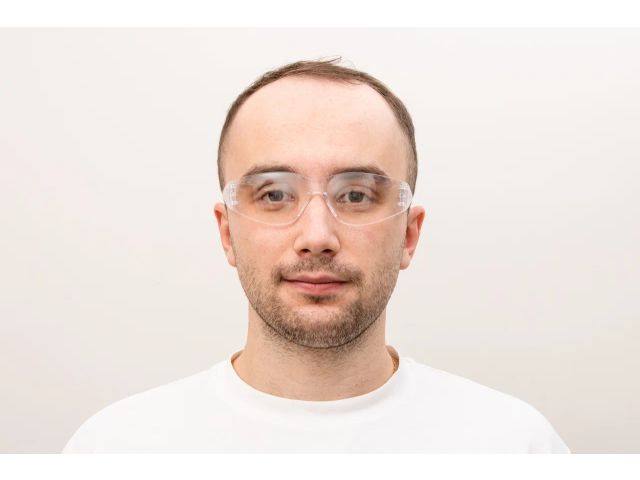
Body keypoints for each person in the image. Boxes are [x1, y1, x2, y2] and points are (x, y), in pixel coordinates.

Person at [63, 58, 570, 453]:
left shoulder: (516, 446)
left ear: (409, 236)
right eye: (274, 194)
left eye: (356, 195)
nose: (317, 235)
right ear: (227, 233)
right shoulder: (115, 450)